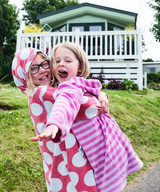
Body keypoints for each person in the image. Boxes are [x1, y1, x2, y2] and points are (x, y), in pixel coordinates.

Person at [32, 42, 143, 192]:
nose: (61, 64)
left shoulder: (79, 84)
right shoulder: (67, 88)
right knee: (110, 185)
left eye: (68, 60)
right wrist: (55, 124)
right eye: (57, 61)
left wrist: (101, 95)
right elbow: (65, 103)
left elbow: (91, 95)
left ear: (80, 67)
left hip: (109, 145)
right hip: (99, 151)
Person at [12, 47, 109, 192]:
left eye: (45, 64)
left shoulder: (52, 89)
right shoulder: (40, 93)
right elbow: (87, 106)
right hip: (66, 161)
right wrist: (99, 97)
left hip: (63, 159)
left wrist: (101, 94)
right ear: (24, 75)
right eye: (34, 69)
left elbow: (75, 94)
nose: (43, 70)